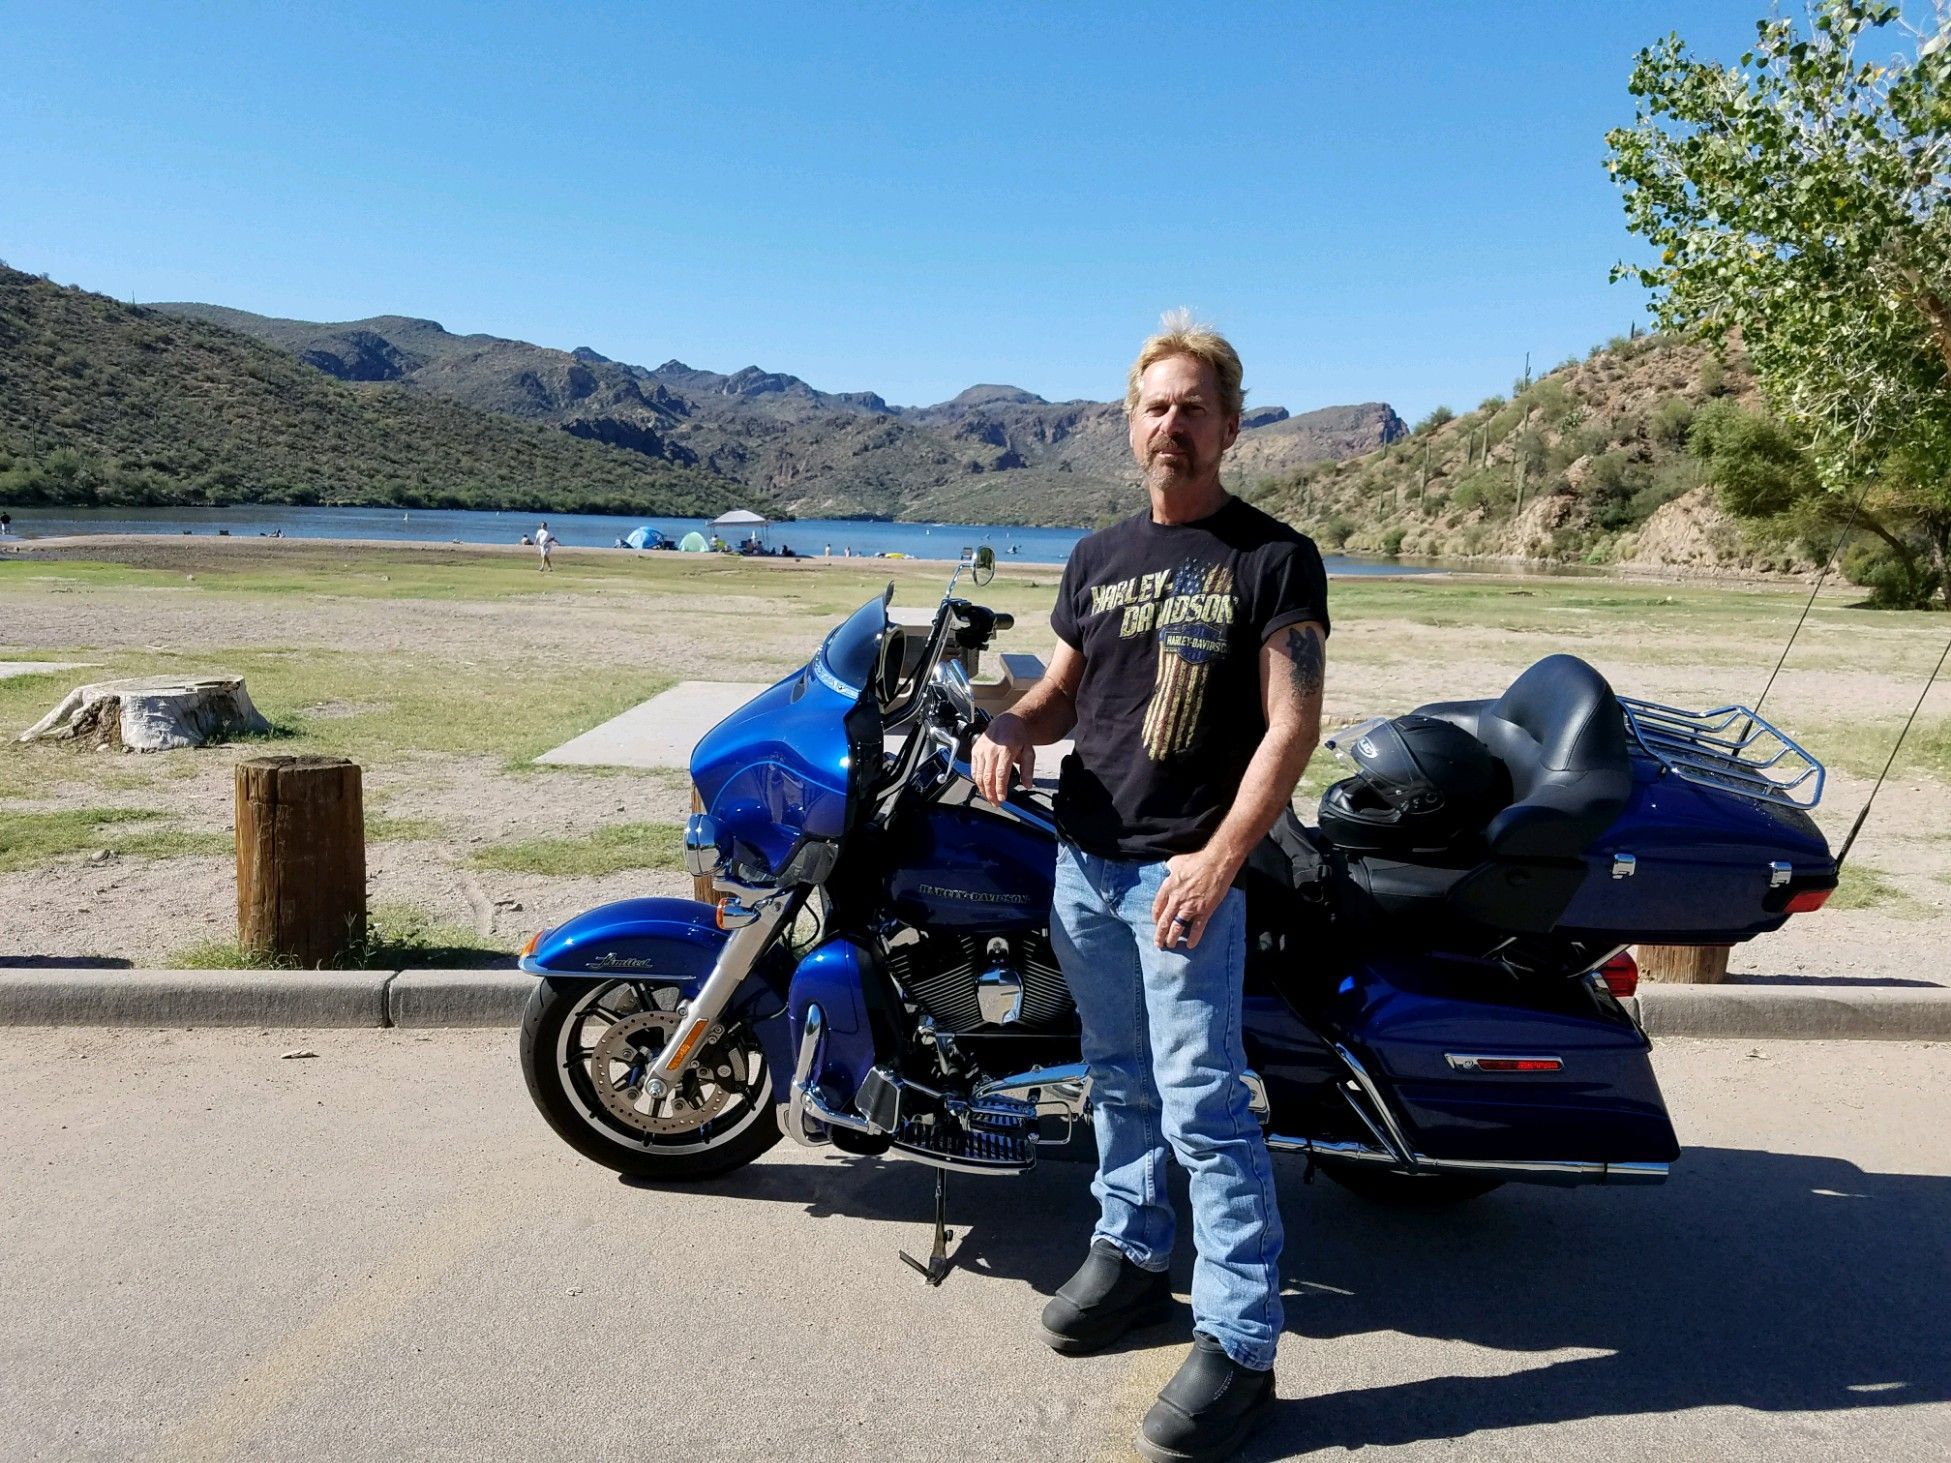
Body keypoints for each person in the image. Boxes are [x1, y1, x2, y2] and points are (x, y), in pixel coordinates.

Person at [972, 313, 1328, 1463]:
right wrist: (1008, 728)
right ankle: (1131, 1253)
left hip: (1182, 874)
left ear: (1228, 427)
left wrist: (1220, 857)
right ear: (1131, 424)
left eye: (1192, 407)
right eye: (1154, 405)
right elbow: (1061, 695)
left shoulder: (1271, 557)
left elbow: (1292, 724)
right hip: (1083, 860)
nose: (1171, 422)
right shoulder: (1097, 556)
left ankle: (1242, 1341)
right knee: (1116, 1078)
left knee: (1205, 1107)